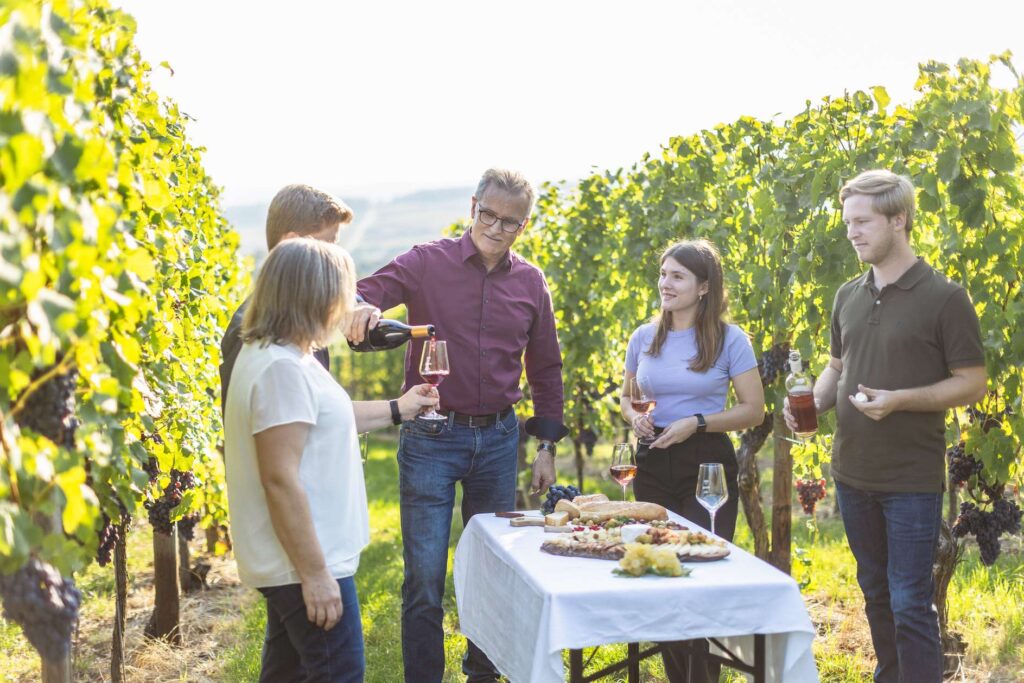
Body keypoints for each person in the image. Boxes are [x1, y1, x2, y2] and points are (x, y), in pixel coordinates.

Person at [354, 168, 568, 683]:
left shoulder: (531, 282)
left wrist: (545, 445)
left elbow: (545, 366)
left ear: (524, 226)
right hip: (430, 436)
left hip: (498, 441)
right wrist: (360, 308)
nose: (495, 228)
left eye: (509, 222)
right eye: (488, 215)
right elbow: (367, 291)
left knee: (490, 572)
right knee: (424, 580)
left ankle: (482, 674)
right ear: (473, 206)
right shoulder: (427, 262)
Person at [784, 169, 986, 683]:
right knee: (874, 590)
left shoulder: (945, 296)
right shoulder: (847, 294)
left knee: (910, 602)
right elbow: (837, 364)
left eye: (863, 221)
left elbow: (971, 382)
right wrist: (816, 404)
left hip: (910, 480)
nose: (851, 231)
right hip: (852, 472)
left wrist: (901, 401)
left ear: (899, 220)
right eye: (848, 221)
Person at [223, 238, 438, 682]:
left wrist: (400, 408)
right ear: (314, 296)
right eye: (342, 293)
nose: (346, 307)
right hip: (304, 564)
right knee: (337, 673)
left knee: (286, 676)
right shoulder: (281, 369)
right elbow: (279, 479)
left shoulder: (282, 355)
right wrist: (316, 576)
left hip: (294, 563)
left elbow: (322, 419)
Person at [619, 238, 765, 683]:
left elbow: (753, 410)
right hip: (652, 461)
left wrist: (697, 423)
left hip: (706, 463)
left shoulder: (729, 339)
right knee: (663, 577)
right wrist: (635, 420)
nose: (665, 283)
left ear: (704, 287)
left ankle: (702, 678)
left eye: (677, 275)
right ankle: (677, 675)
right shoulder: (643, 337)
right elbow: (627, 397)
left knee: (699, 575)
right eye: (663, 273)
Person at [220, 183, 381, 411]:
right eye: (328, 245)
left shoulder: (298, 319)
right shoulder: (255, 332)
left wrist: (359, 305)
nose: (334, 257)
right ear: (291, 243)